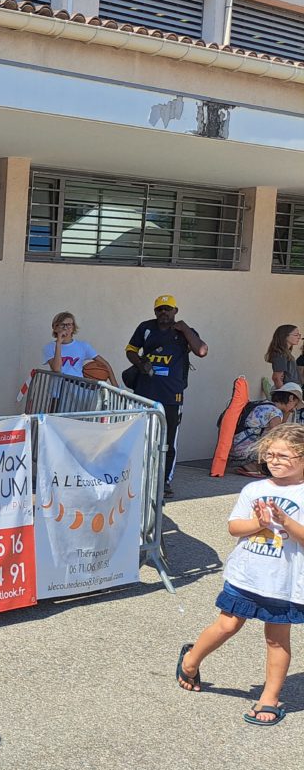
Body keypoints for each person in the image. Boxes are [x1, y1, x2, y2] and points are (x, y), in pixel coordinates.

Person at [176, 423, 304, 727]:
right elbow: (234, 527)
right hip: (246, 575)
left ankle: (269, 698)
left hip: (284, 582)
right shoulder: (254, 489)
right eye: (270, 455)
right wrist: (259, 523)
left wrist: (286, 522)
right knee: (227, 625)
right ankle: (190, 660)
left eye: (283, 456)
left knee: (277, 639)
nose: (274, 461)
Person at [126, 294, 207, 497]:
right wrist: (140, 363)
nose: (163, 312)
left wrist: (185, 328)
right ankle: (139, 477)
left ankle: (164, 481)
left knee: (168, 441)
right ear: (155, 311)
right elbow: (130, 350)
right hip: (144, 393)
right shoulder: (145, 327)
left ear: (175, 310)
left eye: (167, 309)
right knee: (141, 438)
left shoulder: (184, 331)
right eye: (160, 309)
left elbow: (201, 351)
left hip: (172, 395)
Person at [230, 384, 303, 477]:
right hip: (244, 452)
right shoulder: (275, 413)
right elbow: (278, 436)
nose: (294, 409)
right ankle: (251, 466)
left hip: (235, 448)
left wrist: (287, 412)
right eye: (295, 405)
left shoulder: (265, 405)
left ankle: (253, 466)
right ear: (291, 398)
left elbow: (279, 428)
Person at [43, 312, 115, 383]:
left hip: (77, 388)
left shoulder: (83, 346)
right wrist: (58, 344)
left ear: (73, 328)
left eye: (69, 325)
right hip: (57, 389)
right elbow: (56, 369)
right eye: (62, 325)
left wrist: (116, 387)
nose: (65, 328)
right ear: (55, 328)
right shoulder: (49, 347)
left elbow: (105, 364)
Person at [266, 324, 300, 390]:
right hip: (288, 390)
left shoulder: (286, 353)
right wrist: (284, 393)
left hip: (292, 388)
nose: (299, 337)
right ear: (284, 336)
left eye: (299, 335)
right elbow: (276, 378)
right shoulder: (280, 354)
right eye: (296, 335)